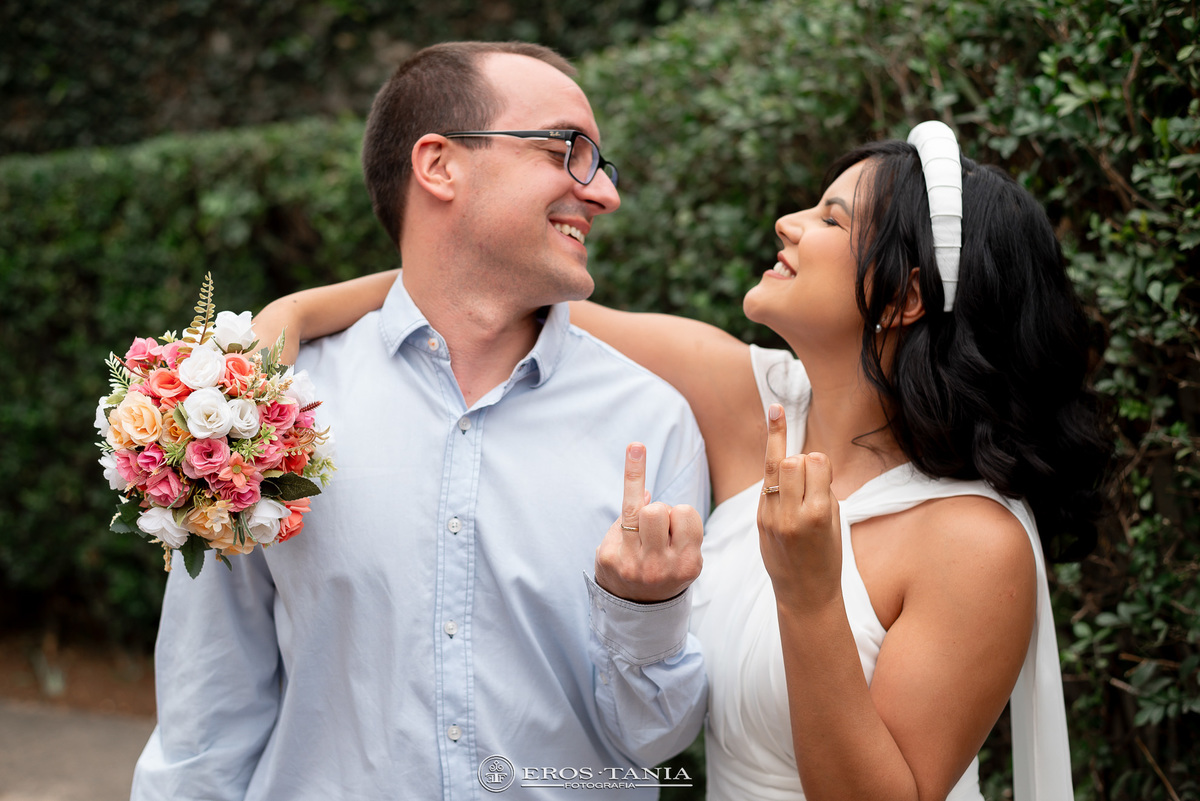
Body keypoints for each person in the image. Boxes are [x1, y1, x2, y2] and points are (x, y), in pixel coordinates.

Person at [265, 120, 1111, 800]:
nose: (789, 221)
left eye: (830, 218)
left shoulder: (972, 540)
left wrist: (812, 594)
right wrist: (292, 314)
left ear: (904, 297)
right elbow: (490, 287)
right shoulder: (751, 404)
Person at [131, 41, 712, 801]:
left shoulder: (652, 420)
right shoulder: (264, 413)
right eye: (569, 149)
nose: (603, 191)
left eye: (600, 162)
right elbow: (206, 716)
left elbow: (660, 740)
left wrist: (646, 614)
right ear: (438, 164)